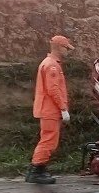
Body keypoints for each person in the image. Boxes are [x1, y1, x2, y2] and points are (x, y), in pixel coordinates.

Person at [26, 35, 75, 184]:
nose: (68, 51)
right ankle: (37, 170)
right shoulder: (52, 65)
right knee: (48, 141)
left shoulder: (48, 63)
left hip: (48, 109)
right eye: (66, 48)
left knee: (48, 140)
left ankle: (37, 170)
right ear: (60, 48)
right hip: (50, 110)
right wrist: (63, 108)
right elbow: (53, 89)